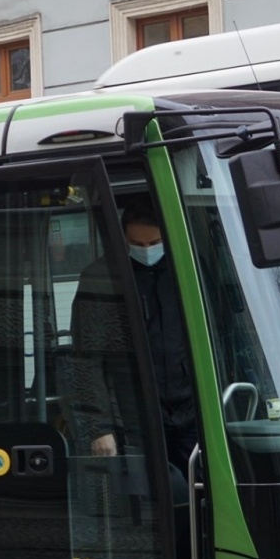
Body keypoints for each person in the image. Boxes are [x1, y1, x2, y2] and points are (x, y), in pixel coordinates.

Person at [69, 196, 197, 472]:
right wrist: (99, 427)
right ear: (123, 238)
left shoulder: (187, 269)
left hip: (191, 412)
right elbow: (87, 360)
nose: (147, 251)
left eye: (153, 244)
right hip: (133, 417)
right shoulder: (102, 279)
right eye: (137, 245)